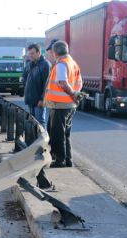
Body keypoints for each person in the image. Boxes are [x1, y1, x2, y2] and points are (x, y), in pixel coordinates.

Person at [43, 40, 82, 168]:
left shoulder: (61, 64)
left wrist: (72, 94)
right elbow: (79, 83)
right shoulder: (73, 63)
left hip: (60, 105)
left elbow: (62, 82)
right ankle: (68, 160)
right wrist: (75, 95)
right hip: (70, 105)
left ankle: (60, 161)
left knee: (58, 134)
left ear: (54, 53)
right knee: (66, 134)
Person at [24, 43, 50, 128]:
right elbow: (25, 79)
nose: (30, 56)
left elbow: (47, 84)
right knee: (32, 123)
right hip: (31, 100)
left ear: (39, 53)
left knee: (40, 123)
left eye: (32, 53)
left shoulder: (45, 65)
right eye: (29, 53)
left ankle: (43, 141)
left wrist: (42, 99)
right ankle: (35, 140)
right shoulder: (30, 65)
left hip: (39, 100)